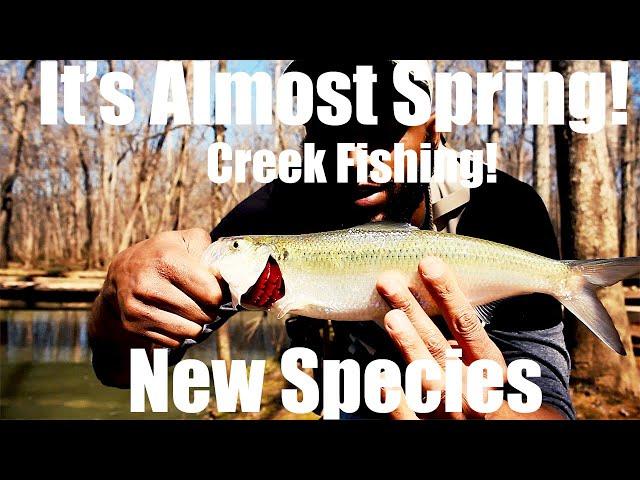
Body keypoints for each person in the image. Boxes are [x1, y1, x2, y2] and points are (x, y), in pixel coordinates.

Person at [88, 60, 575, 419]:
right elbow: (123, 372)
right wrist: (114, 307)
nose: (358, 160)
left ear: (432, 128)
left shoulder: (503, 208)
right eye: (333, 133)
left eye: (382, 134)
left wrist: (493, 415)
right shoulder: (273, 216)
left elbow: (549, 401)